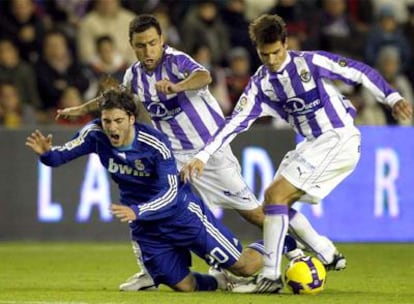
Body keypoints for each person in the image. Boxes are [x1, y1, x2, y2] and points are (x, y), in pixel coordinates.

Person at [54, 14, 339, 292]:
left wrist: (177, 86)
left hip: (209, 153)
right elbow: (114, 98)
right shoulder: (135, 75)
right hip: (173, 158)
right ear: (132, 45)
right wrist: (80, 110)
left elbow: (204, 75)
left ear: (162, 40)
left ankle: (293, 247)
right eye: (141, 45)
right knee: (148, 201)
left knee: (253, 214)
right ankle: (150, 271)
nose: (148, 50)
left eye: (153, 43)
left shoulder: (176, 61)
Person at [181, 14, 413, 293]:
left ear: (286, 44)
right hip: (312, 143)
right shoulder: (260, 85)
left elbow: (359, 71)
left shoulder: (310, 63)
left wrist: (392, 97)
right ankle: (326, 253)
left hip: (337, 137)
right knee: (273, 205)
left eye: (277, 52)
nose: (272, 60)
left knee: (276, 195)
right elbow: (232, 123)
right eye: (265, 54)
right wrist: (203, 155)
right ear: (258, 50)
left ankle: (270, 276)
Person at [25, 89, 274, 292]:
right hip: (147, 226)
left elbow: (169, 193)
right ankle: (218, 281)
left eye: (119, 121)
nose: (112, 128)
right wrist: (47, 154)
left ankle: (280, 241)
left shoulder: (155, 144)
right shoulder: (94, 134)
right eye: (107, 120)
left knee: (245, 267)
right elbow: (60, 156)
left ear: (132, 119)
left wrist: (138, 210)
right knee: (183, 286)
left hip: (181, 214)